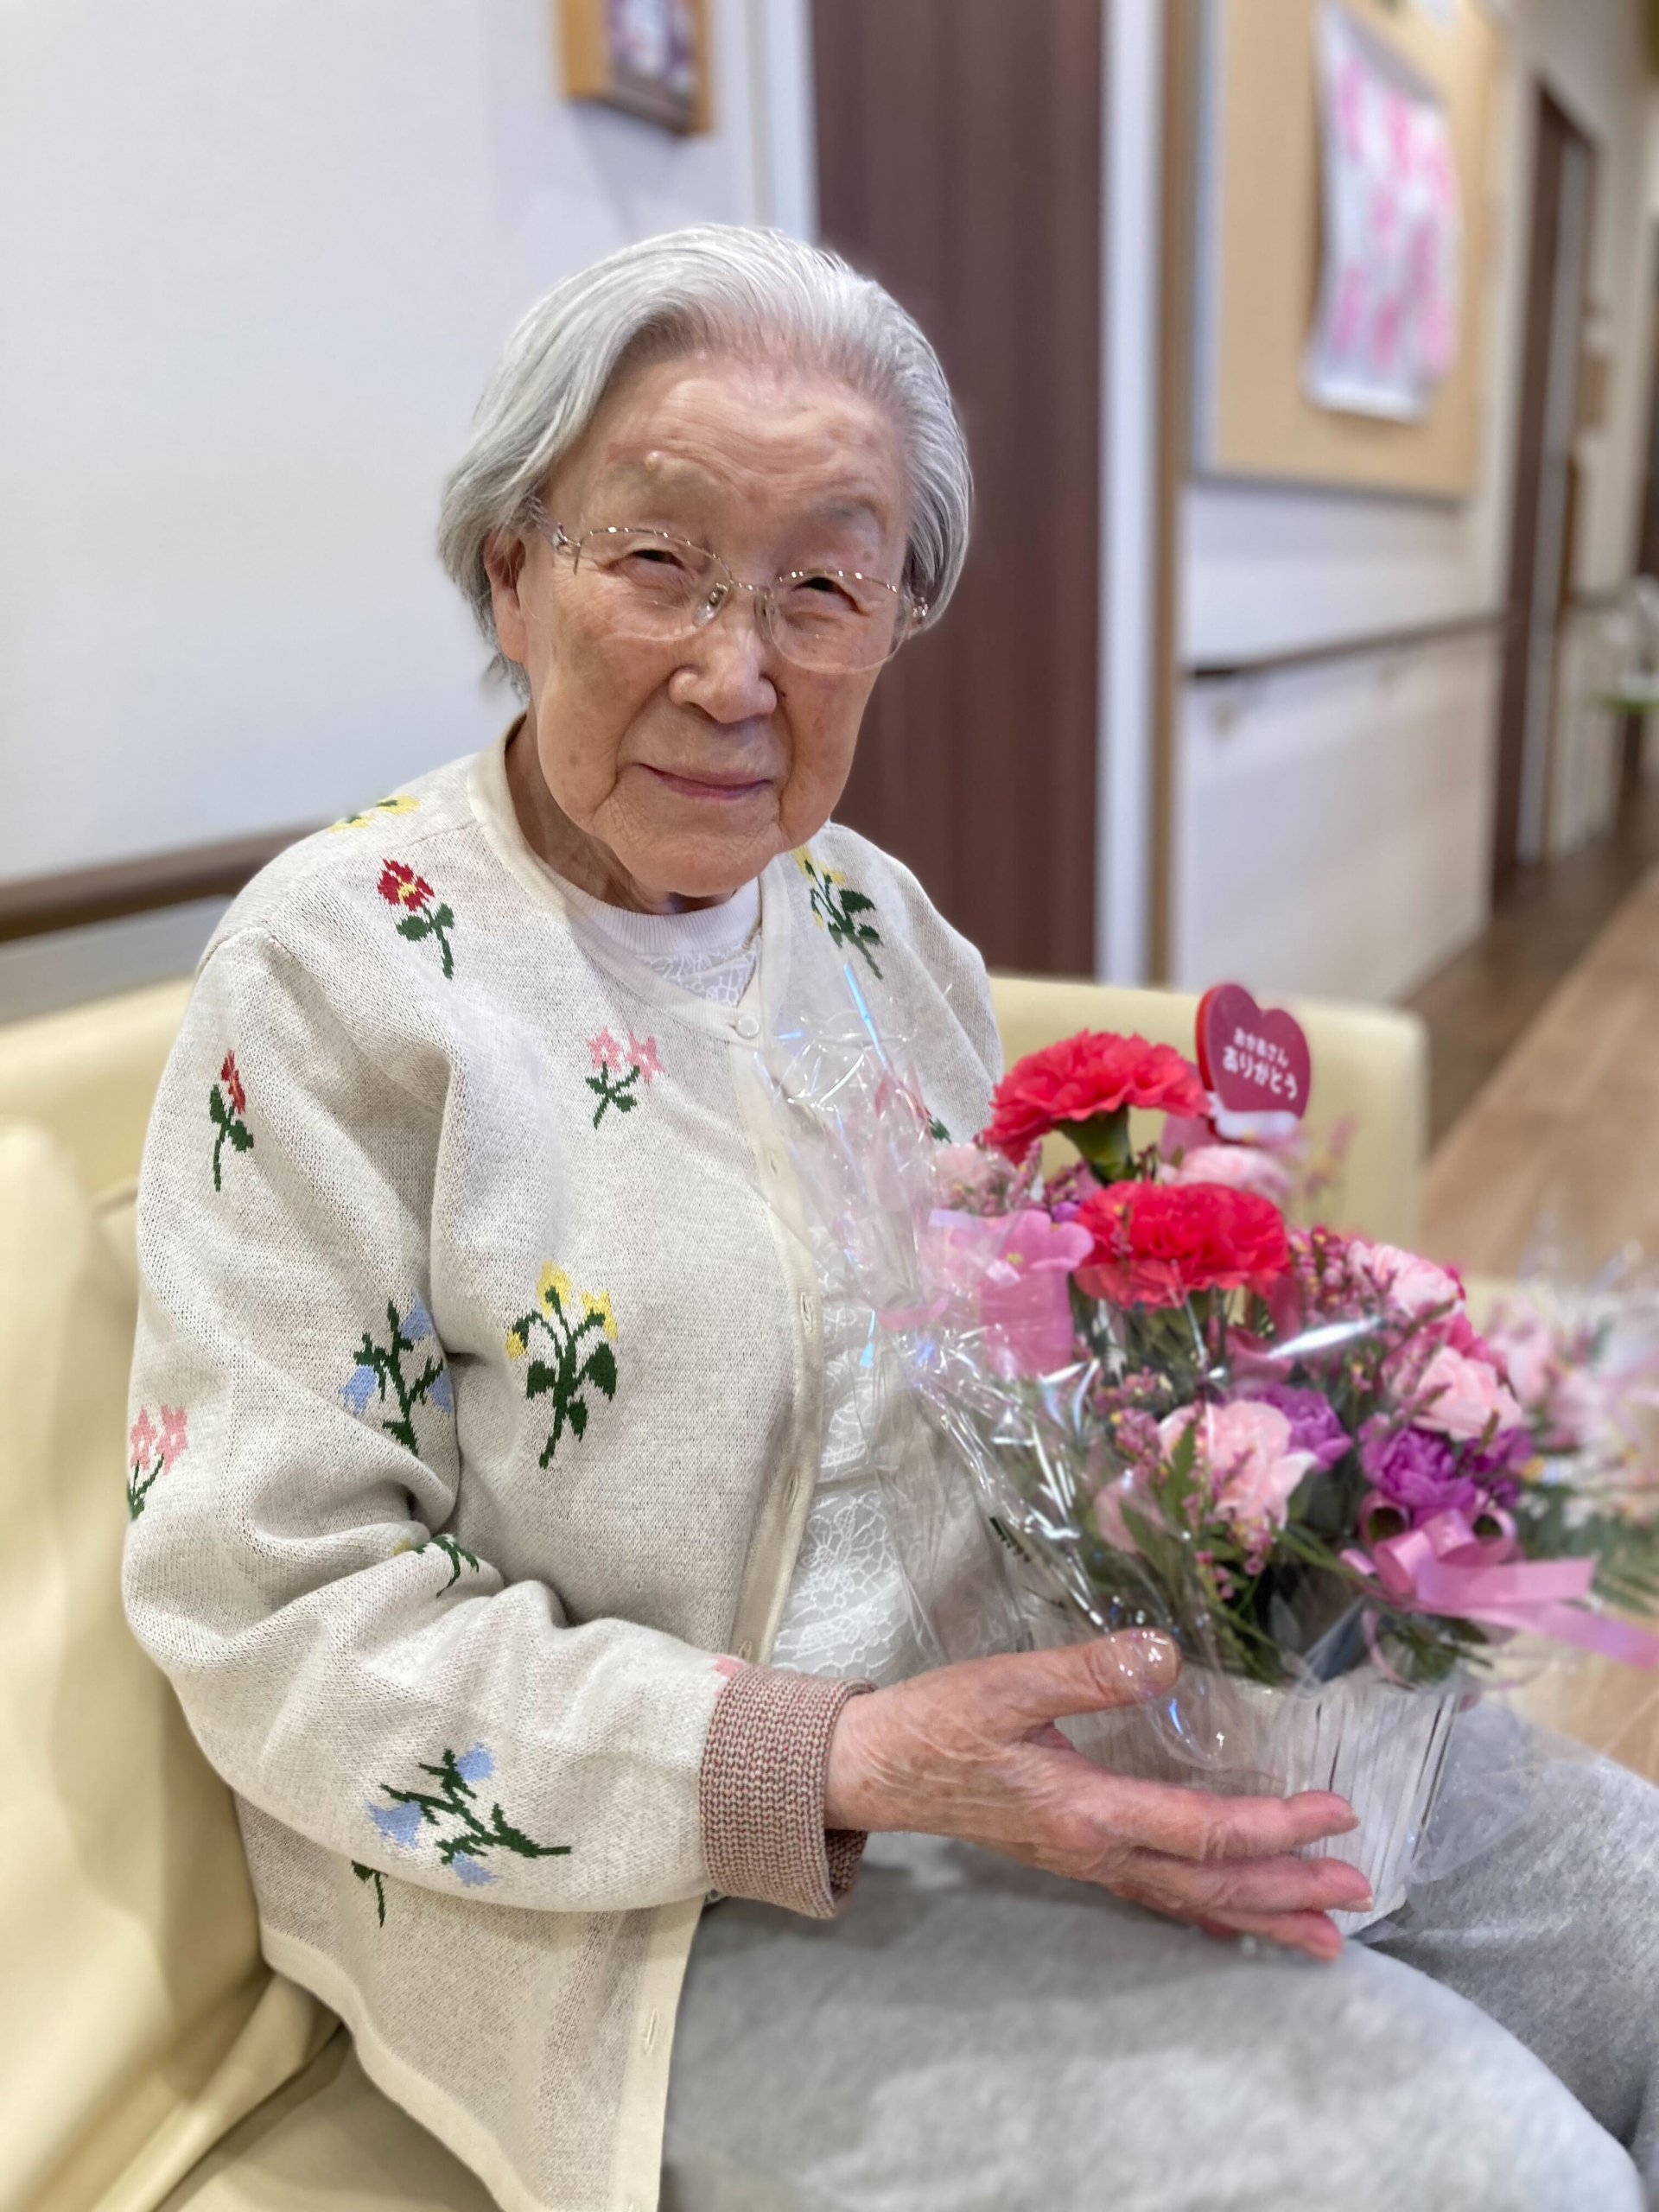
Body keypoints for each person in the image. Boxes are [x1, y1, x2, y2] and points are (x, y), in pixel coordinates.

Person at [124, 226, 1658, 2212]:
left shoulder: (871, 919)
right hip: (676, 1902)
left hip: (1081, 1717)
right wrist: (836, 1756)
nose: (734, 667)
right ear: (512, 568)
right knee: (1492, 2167)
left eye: (823, 586)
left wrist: (1249, 1466)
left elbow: (992, 1387)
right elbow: (272, 1609)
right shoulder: (342, 975)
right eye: (658, 558)